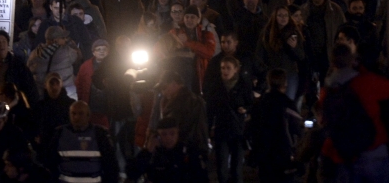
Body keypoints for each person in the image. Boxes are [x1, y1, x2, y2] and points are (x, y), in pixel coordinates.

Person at [319, 44, 389, 182]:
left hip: (343, 154)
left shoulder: (327, 90)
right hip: (372, 148)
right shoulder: (364, 81)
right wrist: (361, 69)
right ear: (352, 60)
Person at [203, 55, 254, 183]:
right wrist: (208, 131)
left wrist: (245, 109)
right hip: (222, 131)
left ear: (236, 69)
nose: (224, 71)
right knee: (222, 168)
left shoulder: (243, 85)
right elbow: (210, 110)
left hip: (238, 132)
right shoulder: (216, 86)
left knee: (237, 169)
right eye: (222, 68)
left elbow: (252, 104)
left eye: (228, 68)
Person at [247, 69, 303, 183]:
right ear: (285, 83)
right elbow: (297, 127)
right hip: (282, 152)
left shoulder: (260, 102)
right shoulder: (287, 103)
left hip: (263, 152)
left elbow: (251, 126)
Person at [44, 101, 118, 183]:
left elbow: (111, 165)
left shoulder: (100, 134)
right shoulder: (59, 133)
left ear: (88, 115)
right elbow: (50, 162)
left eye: (81, 113)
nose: (76, 117)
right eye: (73, 113)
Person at [127, 116, 210, 183]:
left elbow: (202, 178)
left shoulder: (188, 151)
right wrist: (148, 151)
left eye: (172, 133)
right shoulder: (154, 153)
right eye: (164, 134)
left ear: (177, 133)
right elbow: (132, 173)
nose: (168, 138)